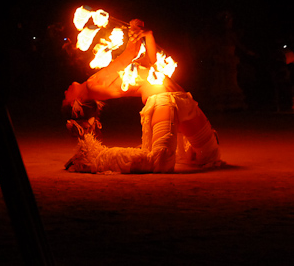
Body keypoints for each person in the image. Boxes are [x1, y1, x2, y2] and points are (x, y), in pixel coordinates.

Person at [62, 19, 221, 174]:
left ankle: (181, 144)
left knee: (210, 154)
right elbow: (130, 53)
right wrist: (135, 29)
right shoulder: (92, 85)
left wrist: (147, 35)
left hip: (182, 98)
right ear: (78, 102)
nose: (64, 92)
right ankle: (94, 159)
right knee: (160, 161)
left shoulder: (99, 81)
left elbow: (150, 62)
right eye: (65, 99)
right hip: (163, 102)